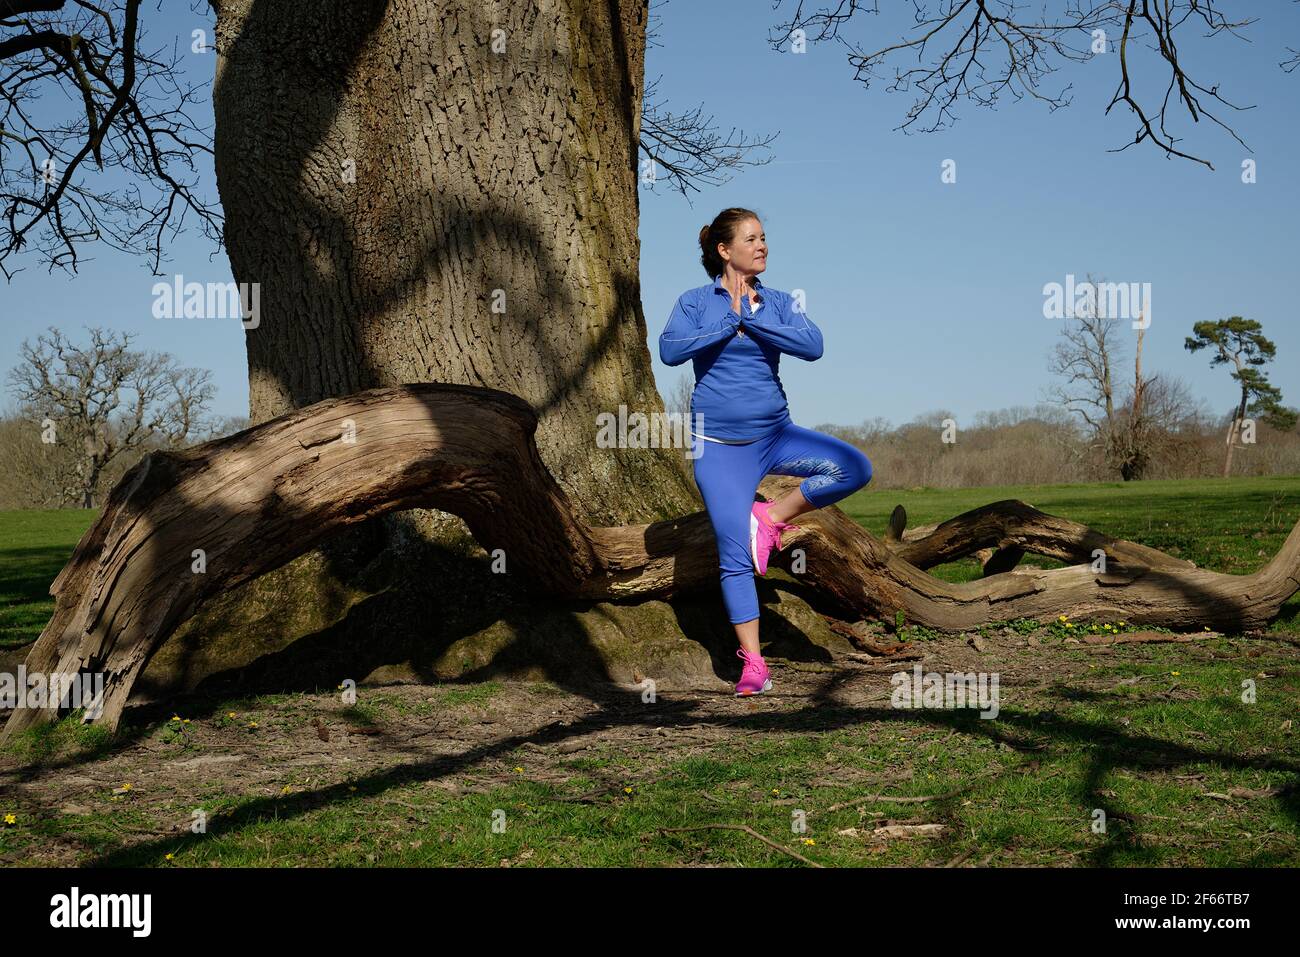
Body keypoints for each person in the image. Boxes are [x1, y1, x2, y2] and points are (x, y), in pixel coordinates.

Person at [659, 207, 874, 696]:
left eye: (764, 238)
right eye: (751, 239)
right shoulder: (695, 302)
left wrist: (752, 323)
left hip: (777, 433)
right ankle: (753, 664)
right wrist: (728, 323)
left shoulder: (777, 301)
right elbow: (671, 350)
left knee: (854, 467)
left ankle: (772, 516)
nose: (762, 246)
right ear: (723, 249)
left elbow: (813, 345)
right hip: (719, 448)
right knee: (734, 557)